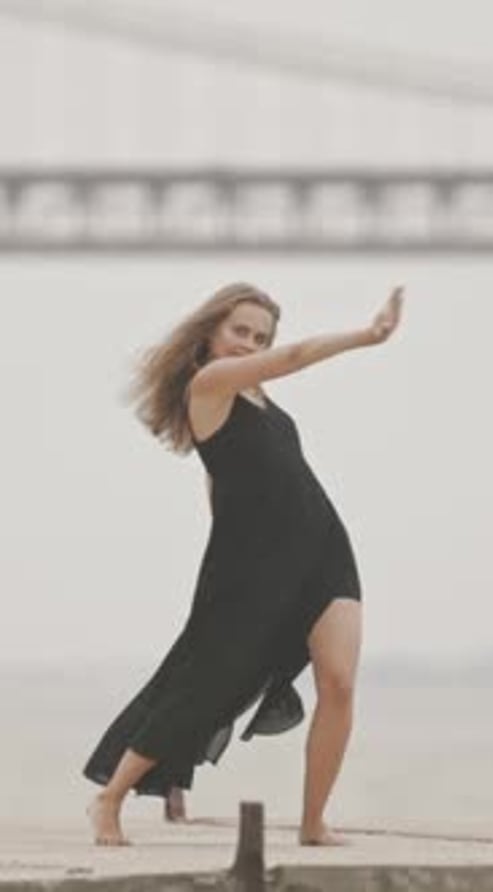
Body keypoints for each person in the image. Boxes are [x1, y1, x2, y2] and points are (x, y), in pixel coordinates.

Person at [84, 281, 404, 847]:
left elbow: (223, 479)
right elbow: (296, 357)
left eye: (260, 336)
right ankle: (109, 799)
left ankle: (312, 823)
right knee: (205, 682)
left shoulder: (256, 394)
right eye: (240, 332)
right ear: (211, 331)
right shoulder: (208, 384)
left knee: (339, 682)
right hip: (255, 561)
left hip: (323, 548)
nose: (250, 344)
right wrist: (367, 334)